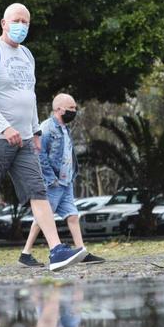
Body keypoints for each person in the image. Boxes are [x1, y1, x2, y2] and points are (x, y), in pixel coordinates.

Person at [0, 3, 87, 276]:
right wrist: (4, 127)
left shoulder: (27, 55)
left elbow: (30, 96)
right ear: (3, 23)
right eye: (16, 20)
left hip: (24, 140)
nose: (21, 25)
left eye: (25, 21)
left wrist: (35, 131)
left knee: (38, 191)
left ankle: (57, 250)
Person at [19, 94, 104, 267]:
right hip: (53, 183)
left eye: (75, 108)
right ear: (59, 109)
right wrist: (51, 179)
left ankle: (81, 251)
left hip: (66, 181)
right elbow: (40, 155)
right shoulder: (47, 128)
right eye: (71, 108)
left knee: (72, 216)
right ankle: (25, 253)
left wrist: (70, 175)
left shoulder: (64, 128)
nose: (74, 111)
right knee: (43, 218)